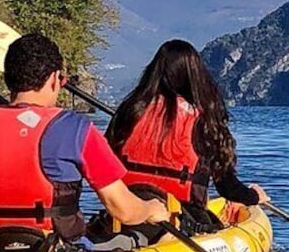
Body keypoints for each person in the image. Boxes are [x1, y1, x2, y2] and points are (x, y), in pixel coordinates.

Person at [0, 33, 169, 252]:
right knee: (144, 237)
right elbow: (123, 210)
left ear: (7, 79)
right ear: (55, 79)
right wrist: (151, 209)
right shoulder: (75, 128)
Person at [105, 39, 269, 235]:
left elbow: (102, 167)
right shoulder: (204, 121)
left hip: (124, 214)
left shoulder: (130, 110)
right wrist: (252, 196)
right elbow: (227, 187)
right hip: (182, 222)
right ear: (195, 76)